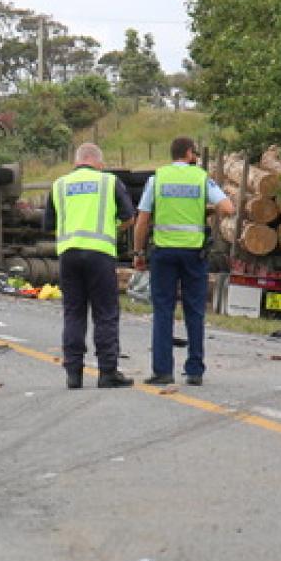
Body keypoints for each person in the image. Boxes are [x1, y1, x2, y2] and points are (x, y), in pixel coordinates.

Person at [133, 137, 234, 386]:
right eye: (194, 154)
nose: (196, 157)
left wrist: (138, 253)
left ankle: (163, 371)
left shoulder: (157, 179)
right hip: (193, 254)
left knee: (163, 311)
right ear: (189, 153)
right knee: (195, 311)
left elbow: (143, 220)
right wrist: (206, 210)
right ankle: (195, 370)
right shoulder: (200, 178)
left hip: (164, 252)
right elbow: (228, 208)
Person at [44, 143, 136, 389]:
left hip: (69, 255)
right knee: (105, 313)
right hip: (100, 255)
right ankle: (107, 372)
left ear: (77, 161)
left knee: (73, 312)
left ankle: (73, 373)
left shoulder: (59, 185)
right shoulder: (109, 182)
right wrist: (112, 231)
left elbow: (48, 225)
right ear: (98, 162)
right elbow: (129, 217)